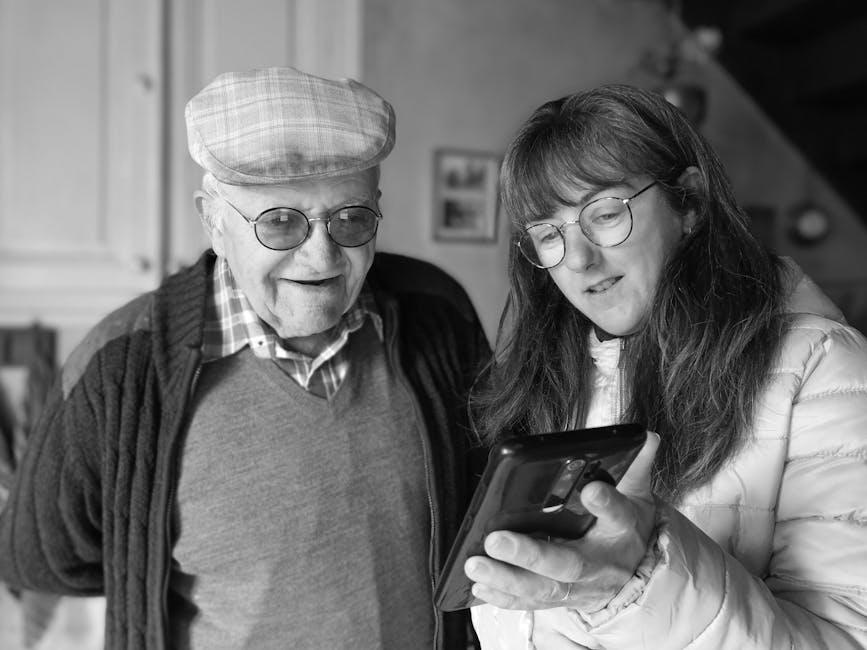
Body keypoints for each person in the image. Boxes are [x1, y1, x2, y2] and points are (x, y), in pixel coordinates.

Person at [0, 66, 490, 650]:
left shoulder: (438, 310)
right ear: (213, 220)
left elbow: (489, 496)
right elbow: (38, 557)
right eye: (280, 221)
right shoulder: (119, 367)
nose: (320, 257)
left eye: (351, 218)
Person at [466, 84, 867, 649]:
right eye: (548, 233)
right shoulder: (553, 381)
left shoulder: (824, 372)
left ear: (691, 203)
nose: (578, 259)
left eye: (604, 214)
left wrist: (638, 582)